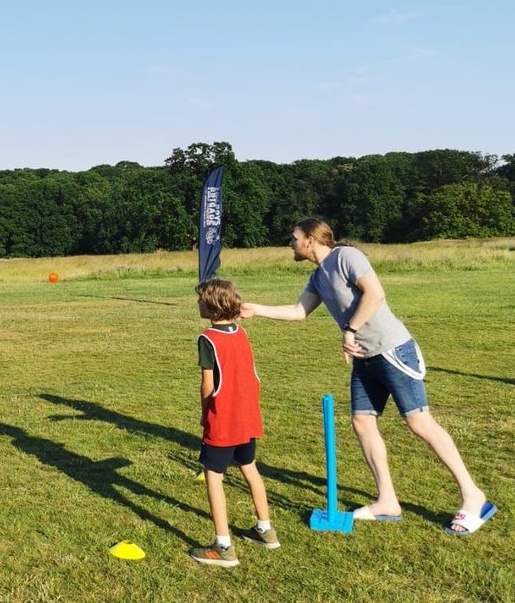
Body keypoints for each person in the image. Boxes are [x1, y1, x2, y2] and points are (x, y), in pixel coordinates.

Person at [241, 218, 494, 535]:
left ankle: (473, 497)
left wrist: (350, 329)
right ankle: (387, 501)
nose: (289, 244)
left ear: (310, 239)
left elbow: (375, 294)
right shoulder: (318, 276)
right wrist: (255, 309)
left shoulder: (346, 256)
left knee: (419, 422)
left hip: (391, 349)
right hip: (364, 359)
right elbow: (298, 312)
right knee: (362, 422)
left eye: (294, 238)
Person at [189, 278, 279, 567]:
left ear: (213, 306)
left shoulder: (208, 338)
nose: (198, 303)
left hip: (224, 419)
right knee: (249, 469)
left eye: (201, 299)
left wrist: (205, 414)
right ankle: (265, 529)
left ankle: (223, 546)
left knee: (214, 478)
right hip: (247, 416)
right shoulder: (241, 333)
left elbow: (207, 386)